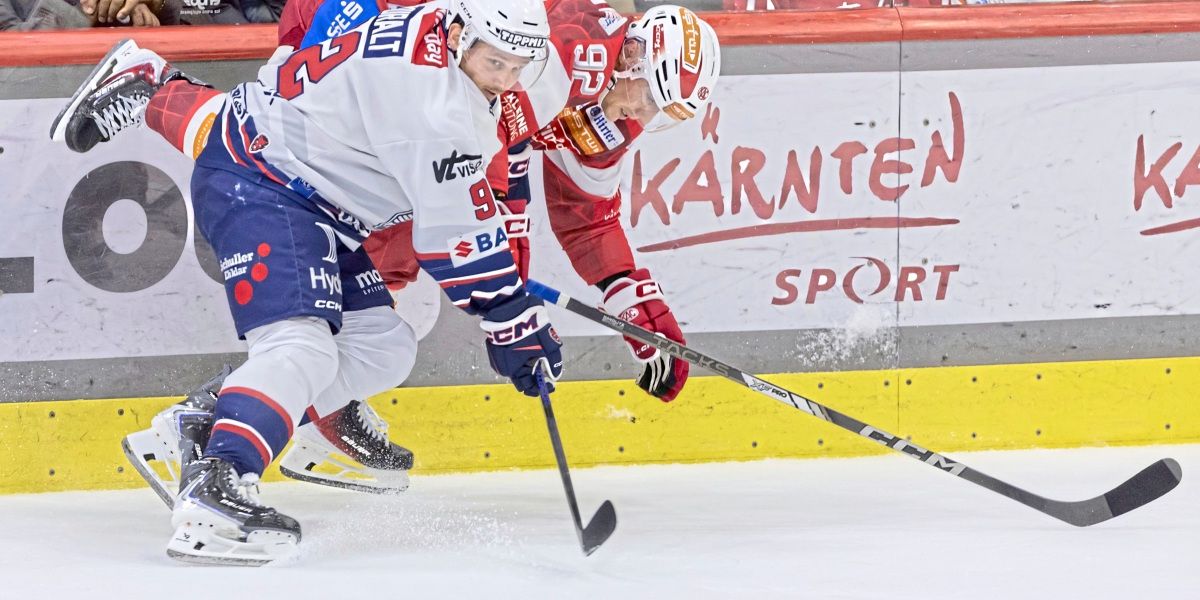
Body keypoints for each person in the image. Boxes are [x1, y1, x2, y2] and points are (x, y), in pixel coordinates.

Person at [61, 0, 720, 504]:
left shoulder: (606, 99)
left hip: (422, 59)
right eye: (656, 100)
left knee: (384, 281)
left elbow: (585, 216)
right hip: (365, 17)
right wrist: (507, 303)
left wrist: (640, 310)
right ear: (634, 63)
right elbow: (480, 179)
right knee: (306, 151)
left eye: (672, 115)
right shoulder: (554, 52)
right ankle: (263, 415)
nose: (648, 119)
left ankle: (270, 408)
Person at [51, 0, 557, 565]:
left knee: (383, 345)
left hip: (315, 197)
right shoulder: (434, 104)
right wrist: (510, 316)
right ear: (460, 35)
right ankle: (217, 484)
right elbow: (451, 234)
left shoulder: (432, 25)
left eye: (518, 67)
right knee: (300, 347)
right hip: (266, 184)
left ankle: (204, 422)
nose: (505, 81)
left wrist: (511, 308)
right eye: (495, 64)